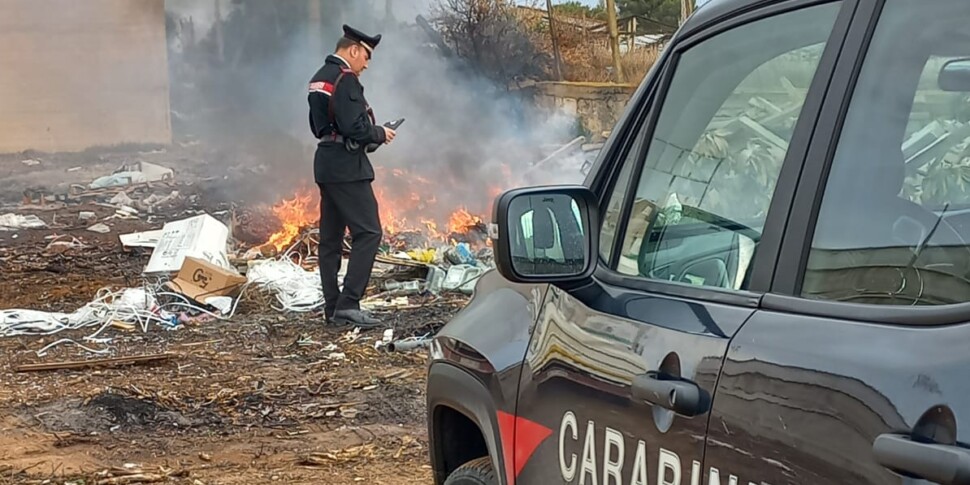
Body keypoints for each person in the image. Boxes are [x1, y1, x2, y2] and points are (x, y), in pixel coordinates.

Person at [308, 25, 395, 327]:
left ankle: (333, 308)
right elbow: (354, 127)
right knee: (369, 232)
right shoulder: (346, 79)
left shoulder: (319, 77)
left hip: (326, 163)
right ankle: (349, 304)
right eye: (367, 56)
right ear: (354, 49)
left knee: (330, 239)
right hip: (347, 167)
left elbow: (321, 125)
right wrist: (379, 133)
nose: (367, 64)